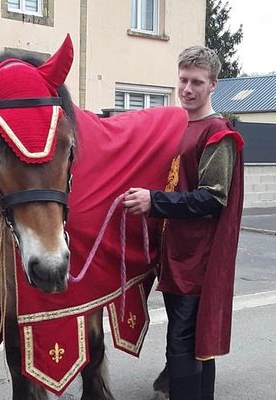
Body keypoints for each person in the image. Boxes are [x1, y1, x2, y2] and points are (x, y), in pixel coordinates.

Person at [123, 45, 244, 400]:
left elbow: (212, 198)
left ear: (213, 86)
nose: (187, 89)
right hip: (172, 252)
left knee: (183, 342)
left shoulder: (217, 133)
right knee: (189, 339)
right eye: (183, 80)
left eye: (197, 82)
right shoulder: (175, 126)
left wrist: (153, 201)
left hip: (196, 259)